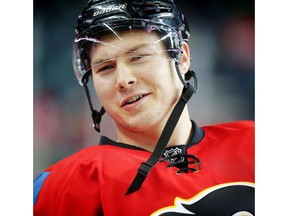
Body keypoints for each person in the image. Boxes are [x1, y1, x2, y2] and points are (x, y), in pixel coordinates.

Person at [33, 0, 255, 215]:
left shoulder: (254, 143)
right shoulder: (69, 184)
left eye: (138, 57)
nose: (123, 79)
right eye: (106, 68)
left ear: (182, 57)